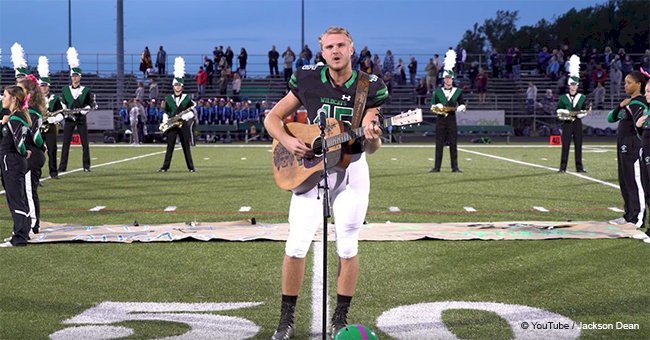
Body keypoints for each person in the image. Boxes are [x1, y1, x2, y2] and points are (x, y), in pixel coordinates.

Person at [264, 26, 388, 339]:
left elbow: (371, 143)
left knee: (347, 247)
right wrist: (289, 142)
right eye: (329, 46)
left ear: (352, 49)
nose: (335, 51)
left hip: (351, 170)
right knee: (295, 245)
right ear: (322, 52)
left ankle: (339, 319)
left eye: (341, 45)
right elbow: (272, 119)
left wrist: (372, 134)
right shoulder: (307, 78)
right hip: (311, 169)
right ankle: (286, 320)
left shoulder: (368, 86)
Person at [607, 70, 647, 228]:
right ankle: (629, 214)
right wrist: (620, 106)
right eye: (625, 82)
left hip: (633, 146)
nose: (625, 85)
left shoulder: (639, 103)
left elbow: (641, 125)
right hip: (623, 145)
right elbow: (610, 118)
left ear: (638, 84)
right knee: (624, 180)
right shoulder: (629, 102)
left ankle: (637, 218)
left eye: (629, 82)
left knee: (634, 182)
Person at [0, 85, 33, 247]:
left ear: (13, 98)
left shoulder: (15, 118)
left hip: (12, 162)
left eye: (5, 95)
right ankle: (22, 232)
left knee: (15, 199)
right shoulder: (16, 116)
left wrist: (22, 151)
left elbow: (19, 142)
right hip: (14, 161)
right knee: (18, 198)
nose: (2, 98)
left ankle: (19, 237)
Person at [18, 76, 47, 234]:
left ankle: (33, 224)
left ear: (28, 92)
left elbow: (36, 136)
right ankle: (31, 222)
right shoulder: (27, 110)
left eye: (20, 89)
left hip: (32, 154)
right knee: (26, 189)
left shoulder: (32, 112)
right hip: (29, 153)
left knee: (29, 190)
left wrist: (42, 146)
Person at [58, 47, 95, 173]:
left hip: (80, 118)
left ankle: (86, 166)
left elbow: (90, 104)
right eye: (72, 75)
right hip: (69, 118)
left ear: (80, 77)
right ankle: (62, 167)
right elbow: (63, 102)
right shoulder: (65, 90)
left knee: (85, 143)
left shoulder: (86, 90)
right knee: (65, 143)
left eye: (76, 75)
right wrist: (65, 110)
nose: (74, 78)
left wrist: (85, 110)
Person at [430, 49, 466, 173]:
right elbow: (432, 106)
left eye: (450, 78)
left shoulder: (458, 91)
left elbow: (462, 104)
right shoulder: (438, 92)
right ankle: (436, 167)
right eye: (446, 78)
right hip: (440, 120)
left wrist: (462, 107)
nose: (448, 80)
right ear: (443, 79)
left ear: (452, 79)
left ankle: (455, 167)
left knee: (453, 144)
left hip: (451, 119)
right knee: (438, 144)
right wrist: (437, 108)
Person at [158, 57, 196, 173]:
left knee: (186, 146)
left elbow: (192, 111)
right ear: (173, 86)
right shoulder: (168, 98)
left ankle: (191, 167)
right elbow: (166, 111)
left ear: (182, 86)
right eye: (176, 85)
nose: (177, 87)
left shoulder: (187, 98)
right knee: (170, 146)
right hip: (172, 124)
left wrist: (186, 116)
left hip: (182, 124)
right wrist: (165, 119)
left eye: (179, 85)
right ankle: (165, 167)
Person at [557, 55, 588, 173]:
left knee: (578, 145)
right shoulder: (563, 98)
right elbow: (558, 110)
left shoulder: (582, 97)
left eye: (575, 85)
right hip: (567, 122)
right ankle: (562, 167)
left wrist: (582, 114)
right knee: (565, 145)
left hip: (578, 122)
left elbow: (585, 109)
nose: (573, 87)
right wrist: (563, 112)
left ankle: (579, 167)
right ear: (569, 85)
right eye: (572, 85)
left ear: (577, 86)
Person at [38, 57, 64, 179]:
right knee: (38, 151)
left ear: (48, 86)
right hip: (38, 128)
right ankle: (36, 174)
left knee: (52, 150)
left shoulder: (55, 99)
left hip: (51, 128)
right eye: (41, 85)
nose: (43, 88)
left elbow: (61, 114)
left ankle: (53, 172)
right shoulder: (35, 99)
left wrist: (54, 119)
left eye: (45, 86)